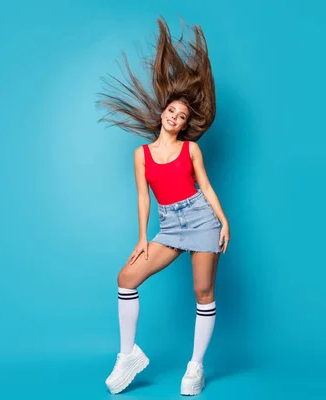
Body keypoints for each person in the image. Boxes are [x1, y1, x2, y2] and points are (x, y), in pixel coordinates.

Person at [97, 17, 230, 396]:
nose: (175, 116)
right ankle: (128, 356)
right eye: (172, 111)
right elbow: (143, 197)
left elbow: (206, 186)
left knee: (203, 294)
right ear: (162, 114)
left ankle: (195, 367)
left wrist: (223, 221)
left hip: (201, 219)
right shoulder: (142, 155)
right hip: (170, 226)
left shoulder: (191, 149)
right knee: (126, 278)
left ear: (186, 124)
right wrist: (142, 238)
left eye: (182, 116)